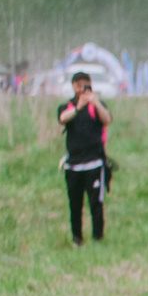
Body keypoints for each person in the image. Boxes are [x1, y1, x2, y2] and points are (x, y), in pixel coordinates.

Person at [57, 71, 109, 245]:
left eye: (85, 85)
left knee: (96, 204)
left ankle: (97, 239)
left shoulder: (97, 106)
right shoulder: (67, 107)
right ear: (73, 87)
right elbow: (62, 119)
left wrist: (95, 102)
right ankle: (76, 238)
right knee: (75, 205)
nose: (82, 89)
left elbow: (107, 119)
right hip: (73, 166)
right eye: (78, 85)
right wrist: (78, 107)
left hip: (94, 164)